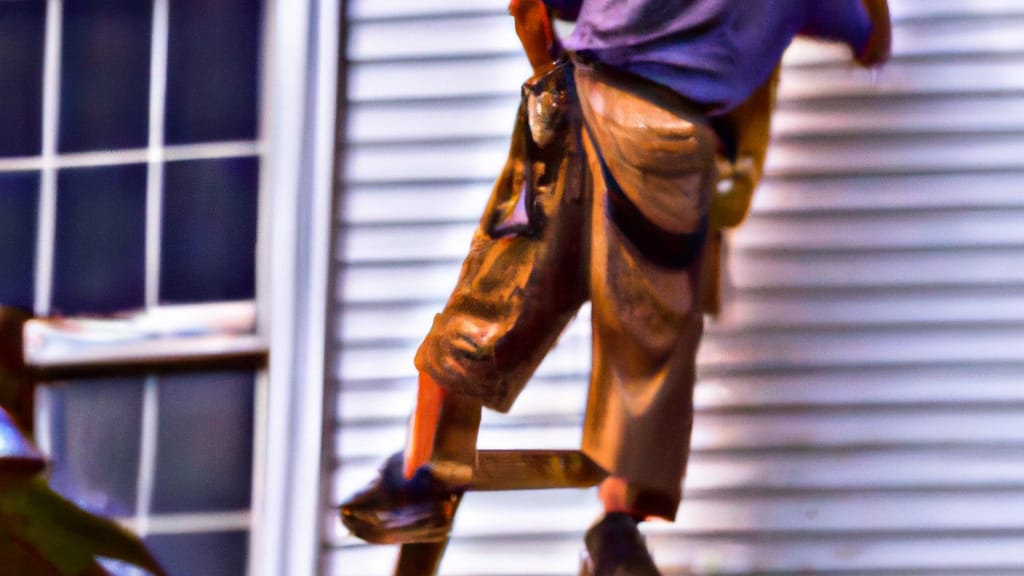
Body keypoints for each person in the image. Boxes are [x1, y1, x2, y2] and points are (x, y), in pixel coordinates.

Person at [342, 1, 891, 574]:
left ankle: (420, 475)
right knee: (647, 341)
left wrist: (546, 76)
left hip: (577, 101)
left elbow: (530, 5)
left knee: (497, 287)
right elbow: (873, 40)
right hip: (670, 137)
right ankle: (616, 530)